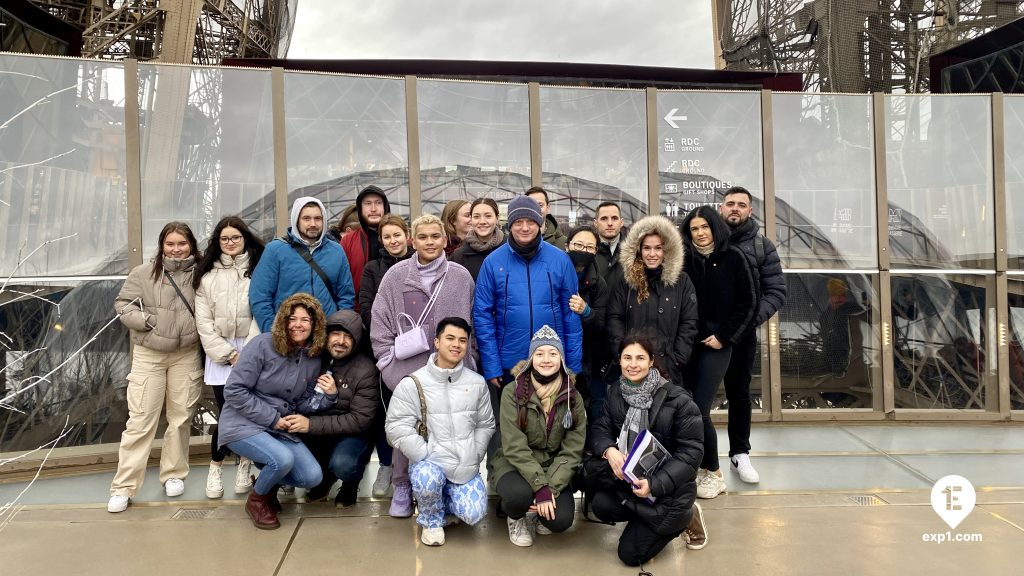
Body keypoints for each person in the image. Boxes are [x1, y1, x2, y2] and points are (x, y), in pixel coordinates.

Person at [371, 214, 476, 517]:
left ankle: (446, 488)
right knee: (407, 431)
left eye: (435, 236)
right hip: (409, 374)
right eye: (423, 237)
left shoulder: (460, 277)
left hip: (453, 372)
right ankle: (402, 485)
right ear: (412, 241)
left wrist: (472, 361)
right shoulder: (395, 276)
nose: (429, 242)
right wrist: (388, 364)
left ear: (445, 239)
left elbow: (475, 323)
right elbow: (380, 322)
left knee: (449, 433)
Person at [474, 195, 582, 480]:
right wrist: (492, 366)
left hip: (552, 363)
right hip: (510, 363)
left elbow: (571, 315)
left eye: (530, 221)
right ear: (509, 225)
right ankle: (505, 483)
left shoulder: (560, 260)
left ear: (540, 223)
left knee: (549, 425)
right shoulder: (493, 263)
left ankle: (548, 484)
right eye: (518, 222)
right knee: (510, 426)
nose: (524, 227)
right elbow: (482, 316)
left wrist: (572, 364)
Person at [586, 333, 707, 567]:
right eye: (627, 358)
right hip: (633, 480)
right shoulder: (616, 391)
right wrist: (609, 450)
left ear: (651, 361)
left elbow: (691, 454)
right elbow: (601, 428)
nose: (633, 364)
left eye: (640, 358)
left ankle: (687, 516)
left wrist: (654, 484)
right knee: (601, 503)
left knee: (630, 556)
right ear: (619, 360)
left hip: (668, 490)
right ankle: (642, 521)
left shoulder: (678, 400)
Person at [218, 293, 337, 529]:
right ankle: (257, 500)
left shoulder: (313, 357)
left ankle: (266, 485)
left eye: (305, 320)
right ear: (283, 319)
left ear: (315, 325)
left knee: (312, 476)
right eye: (292, 318)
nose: (298, 325)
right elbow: (233, 390)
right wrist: (272, 418)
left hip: (278, 427)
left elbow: (302, 402)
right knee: (282, 459)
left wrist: (329, 397)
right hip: (242, 424)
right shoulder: (262, 344)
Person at [108, 222, 203, 513]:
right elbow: (123, 304)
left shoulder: (201, 273)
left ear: (191, 245)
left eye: (182, 243)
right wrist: (146, 322)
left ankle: (174, 474)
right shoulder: (143, 273)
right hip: (149, 354)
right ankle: (124, 486)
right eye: (170, 244)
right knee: (140, 420)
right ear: (162, 245)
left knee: (180, 417)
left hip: (186, 353)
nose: (176, 249)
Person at [384, 317, 495, 547]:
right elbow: (395, 426)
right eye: (450, 338)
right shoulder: (414, 382)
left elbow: (486, 424)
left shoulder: (477, 383)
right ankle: (431, 520)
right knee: (428, 479)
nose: (456, 345)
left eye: (462, 340)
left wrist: (475, 454)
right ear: (436, 342)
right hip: (430, 464)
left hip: (464, 465)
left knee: (475, 513)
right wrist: (423, 453)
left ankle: (444, 504)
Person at [679, 206, 757, 499]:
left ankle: (714, 472)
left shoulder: (734, 257)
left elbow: (749, 303)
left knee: (700, 410)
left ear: (715, 228)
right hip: (687, 343)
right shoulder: (683, 259)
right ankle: (694, 467)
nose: (700, 233)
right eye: (694, 229)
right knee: (686, 407)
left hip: (718, 344)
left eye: (705, 227)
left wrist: (724, 336)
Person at [491, 325, 587, 547]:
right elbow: (514, 446)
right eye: (539, 353)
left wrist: (549, 487)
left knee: (561, 520)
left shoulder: (573, 397)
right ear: (531, 358)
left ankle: (537, 513)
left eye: (553, 353)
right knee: (518, 496)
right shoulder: (512, 392)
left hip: (552, 465)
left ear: (561, 359)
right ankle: (516, 517)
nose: (546, 360)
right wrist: (539, 486)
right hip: (514, 464)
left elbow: (572, 451)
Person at [718, 186, 787, 484]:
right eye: (730, 203)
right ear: (721, 208)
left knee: (739, 393)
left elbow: (776, 291)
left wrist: (748, 321)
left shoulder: (762, 246)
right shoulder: (705, 239)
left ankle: (739, 453)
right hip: (705, 334)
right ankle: (697, 458)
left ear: (750, 210)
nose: (735, 208)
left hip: (741, 334)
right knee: (695, 396)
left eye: (741, 204)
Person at [194, 216, 264, 500]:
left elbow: (262, 311)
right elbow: (203, 322)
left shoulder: (258, 270)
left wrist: (247, 352)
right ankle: (216, 466)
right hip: (220, 352)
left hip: (251, 347)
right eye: (225, 238)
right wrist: (227, 353)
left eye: (235, 237)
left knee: (248, 411)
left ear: (245, 239)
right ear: (217, 242)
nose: (230, 242)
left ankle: (245, 464)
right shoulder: (207, 276)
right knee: (226, 414)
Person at [293, 310, 380, 507]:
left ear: (356, 340)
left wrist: (311, 424)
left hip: (351, 434)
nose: (341, 341)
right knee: (284, 447)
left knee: (344, 464)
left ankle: (350, 484)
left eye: (348, 336)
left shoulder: (366, 369)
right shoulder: (313, 359)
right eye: (335, 334)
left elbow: (360, 420)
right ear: (326, 335)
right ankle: (323, 479)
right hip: (316, 432)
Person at [607, 215, 697, 386]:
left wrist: (678, 359)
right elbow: (614, 318)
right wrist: (623, 354)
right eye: (647, 248)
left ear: (667, 250)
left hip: (669, 368)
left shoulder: (682, 281)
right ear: (638, 250)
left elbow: (689, 322)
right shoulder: (626, 282)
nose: (652, 254)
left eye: (658, 248)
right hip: (633, 367)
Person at [357, 213, 412, 498]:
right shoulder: (373, 269)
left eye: (397, 235)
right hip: (387, 349)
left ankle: (413, 468)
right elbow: (366, 306)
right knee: (387, 410)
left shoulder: (418, 263)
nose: (393, 240)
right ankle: (387, 465)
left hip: (418, 348)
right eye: (387, 236)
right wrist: (389, 337)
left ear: (407, 236)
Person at [249, 196, 355, 333]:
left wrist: (337, 329)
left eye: (318, 218)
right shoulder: (275, 250)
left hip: (325, 333)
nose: (313, 223)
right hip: (289, 334)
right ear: (296, 220)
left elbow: (346, 296)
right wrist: (274, 333)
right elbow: (260, 296)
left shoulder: (336, 251)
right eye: (306, 218)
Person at [564, 225, 609, 421]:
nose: (583, 251)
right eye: (579, 245)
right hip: (555, 353)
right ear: (567, 246)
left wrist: (586, 311)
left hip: (586, 357)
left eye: (589, 247)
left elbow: (602, 324)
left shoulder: (598, 283)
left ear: (596, 251)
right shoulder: (555, 274)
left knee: (586, 407)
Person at [341, 185, 391, 303]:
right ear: (360, 208)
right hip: (359, 308)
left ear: (385, 206)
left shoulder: (401, 240)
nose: (373, 209)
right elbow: (342, 283)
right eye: (367, 204)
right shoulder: (347, 242)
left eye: (378, 203)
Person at [450, 198, 504, 280]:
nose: (482, 221)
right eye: (476, 217)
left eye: (488, 216)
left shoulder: (511, 251)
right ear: (471, 219)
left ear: (497, 219)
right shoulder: (458, 256)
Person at [594, 201, 626, 289]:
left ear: (621, 222)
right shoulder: (588, 250)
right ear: (595, 223)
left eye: (614, 218)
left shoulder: (634, 250)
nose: (610, 223)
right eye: (604, 219)